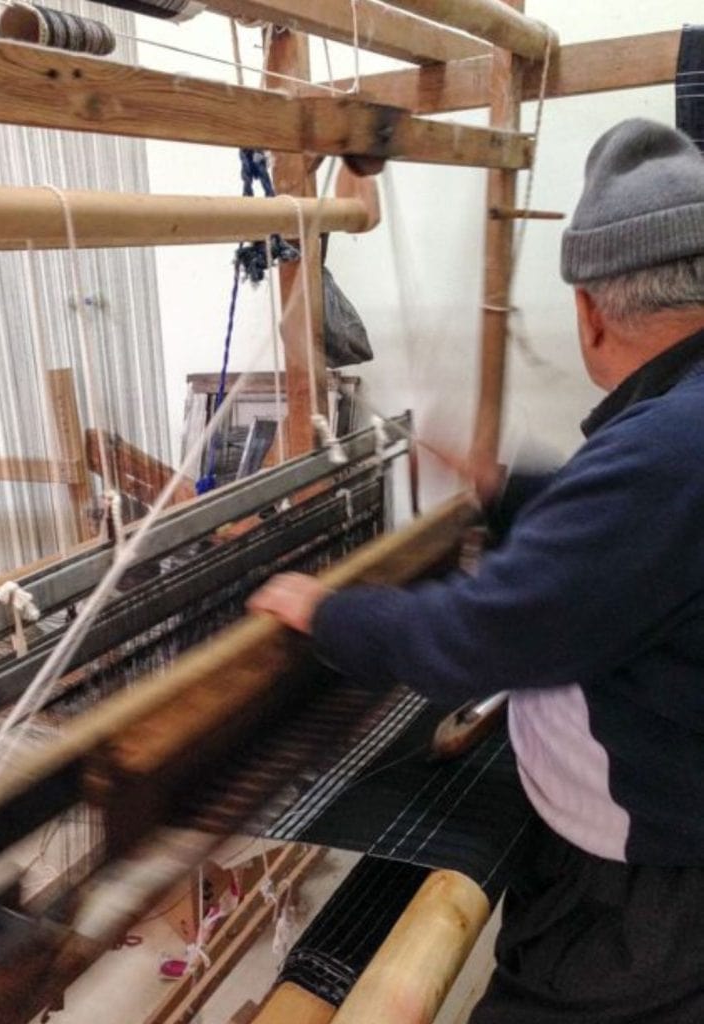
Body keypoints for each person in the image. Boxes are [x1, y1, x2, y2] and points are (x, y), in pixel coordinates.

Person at [248, 118, 704, 1023]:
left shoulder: (666, 448)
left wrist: (324, 613)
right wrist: (500, 488)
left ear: (590, 308)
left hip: (651, 887)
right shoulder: (678, 433)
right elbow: (634, 548)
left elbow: (481, 638)